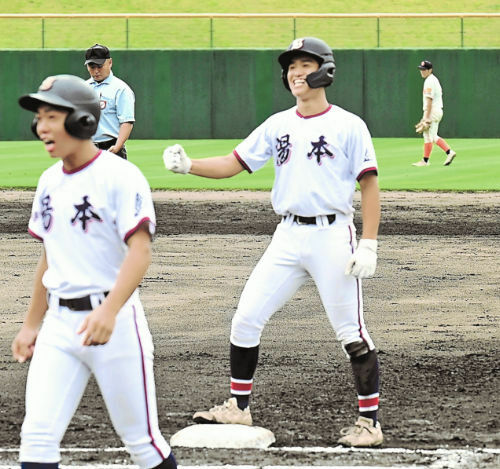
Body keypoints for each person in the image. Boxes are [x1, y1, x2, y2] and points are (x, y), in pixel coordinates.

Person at [163, 37, 383, 448]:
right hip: (287, 236)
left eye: (304, 64)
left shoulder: (349, 125)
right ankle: (239, 407)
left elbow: (368, 184)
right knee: (246, 318)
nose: (295, 72)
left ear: (325, 70)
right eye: (290, 66)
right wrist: (189, 166)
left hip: (332, 236)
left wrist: (368, 243)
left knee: (351, 332)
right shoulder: (278, 124)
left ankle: (369, 423)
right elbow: (234, 163)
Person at [13, 74, 177, 469]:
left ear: (82, 121)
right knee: (36, 442)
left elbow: (140, 251)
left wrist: (109, 310)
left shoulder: (120, 176)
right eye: (39, 117)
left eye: (52, 115)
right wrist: (32, 325)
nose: (42, 127)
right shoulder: (49, 181)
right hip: (58, 327)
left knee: (142, 443)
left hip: (115, 326)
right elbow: (50, 258)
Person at [85, 43, 135, 159]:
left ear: (110, 62)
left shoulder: (120, 89)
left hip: (111, 147)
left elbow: (127, 122)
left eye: (100, 66)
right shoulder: (83, 88)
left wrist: (118, 146)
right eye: (92, 67)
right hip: (87, 148)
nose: (96, 71)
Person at [412, 60, 456, 167]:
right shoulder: (433, 80)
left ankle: (449, 152)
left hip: (432, 111)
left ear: (430, 70)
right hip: (435, 110)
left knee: (432, 136)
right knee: (427, 135)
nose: (422, 72)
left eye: (424, 70)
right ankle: (425, 160)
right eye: (421, 70)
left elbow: (429, 100)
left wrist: (426, 117)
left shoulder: (430, 81)